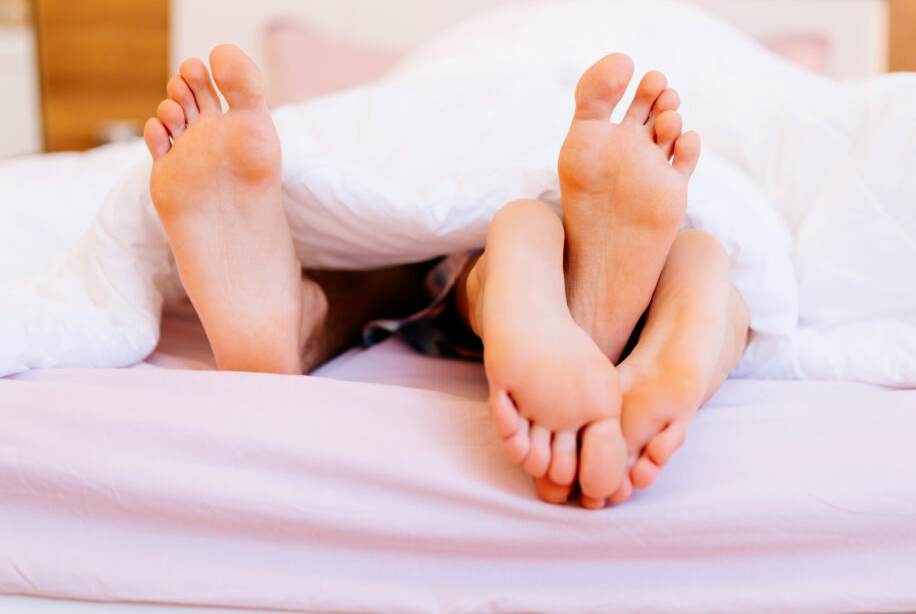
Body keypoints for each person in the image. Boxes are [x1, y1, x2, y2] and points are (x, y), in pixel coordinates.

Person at [143, 44, 750, 509]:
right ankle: (687, 327)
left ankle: (500, 270)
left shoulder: (452, 68)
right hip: (689, 256)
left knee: (443, 262)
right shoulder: (724, 66)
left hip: (449, 274)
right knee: (706, 265)